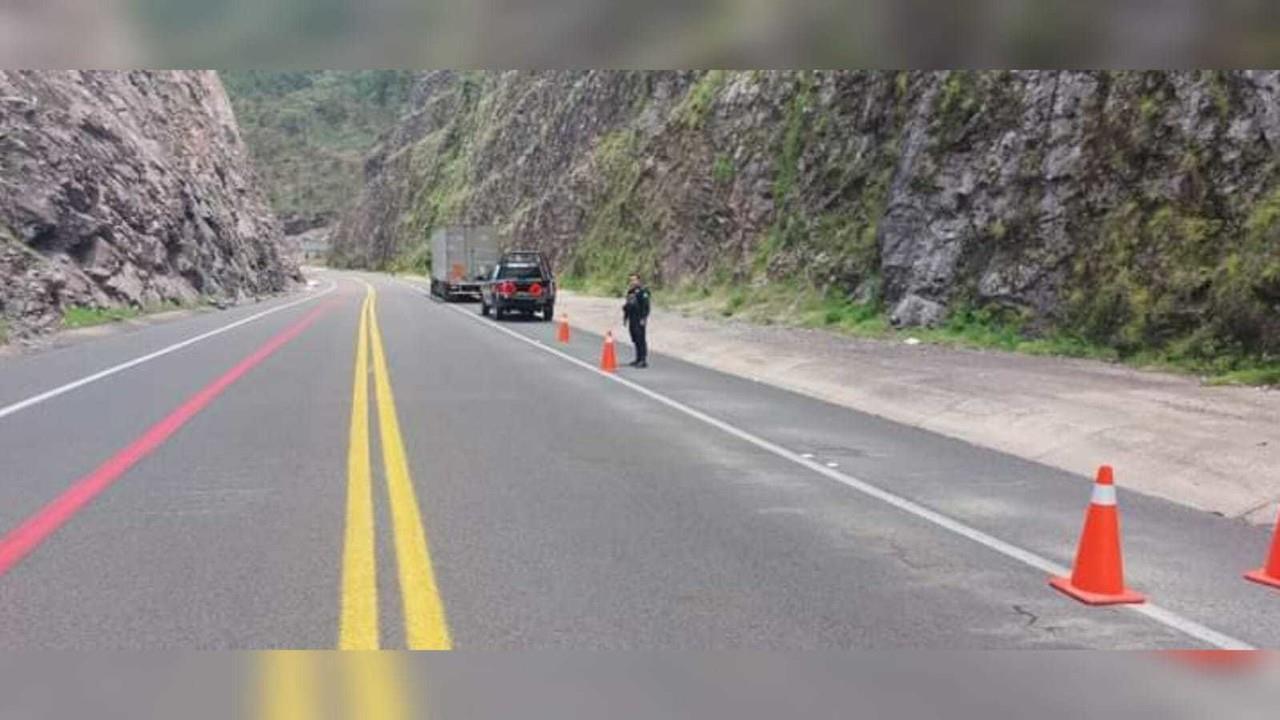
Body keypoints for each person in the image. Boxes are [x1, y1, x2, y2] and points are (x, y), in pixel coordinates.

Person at [622, 273, 651, 368]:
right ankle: (637, 358)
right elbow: (628, 304)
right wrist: (625, 314)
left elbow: (646, 307)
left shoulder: (643, 291)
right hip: (632, 318)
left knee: (640, 339)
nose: (632, 282)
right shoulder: (631, 291)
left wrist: (643, 318)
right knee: (635, 338)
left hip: (639, 318)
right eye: (631, 280)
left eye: (634, 280)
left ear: (639, 280)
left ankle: (643, 360)